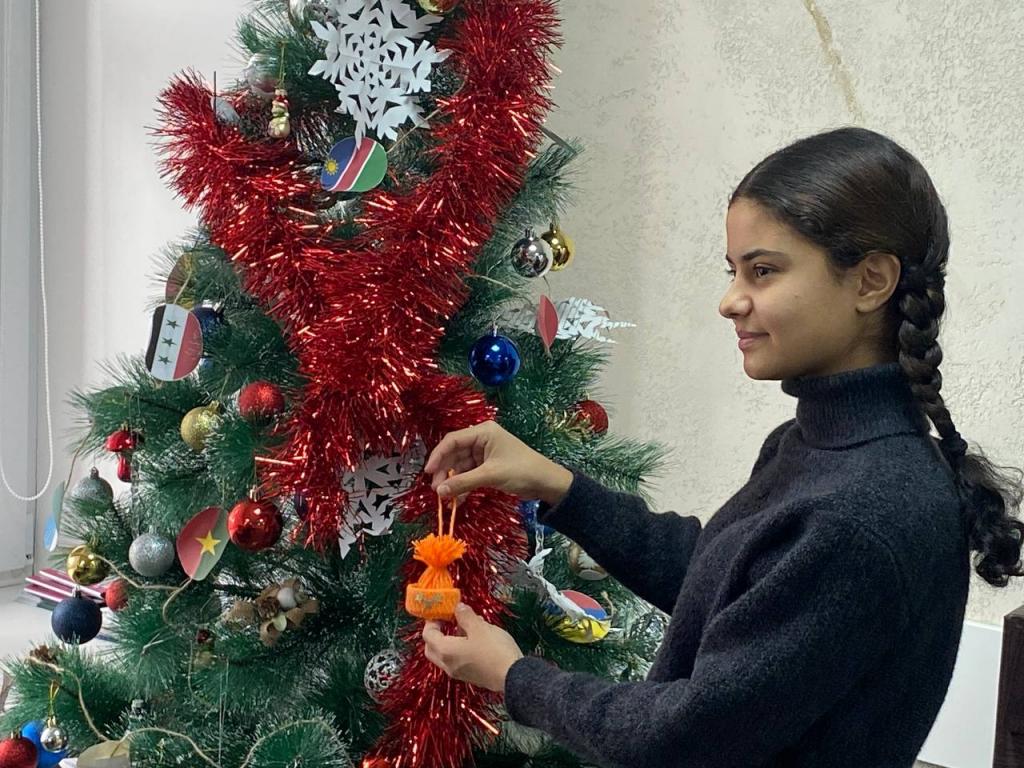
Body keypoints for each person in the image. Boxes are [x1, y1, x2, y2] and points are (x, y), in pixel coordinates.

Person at [420, 127, 1024, 767]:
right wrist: (559, 487)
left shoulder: (861, 512)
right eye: (733, 271)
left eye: (763, 271)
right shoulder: (812, 446)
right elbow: (731, 588)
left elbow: (684, 736)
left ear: (871, 281)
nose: (730, 301)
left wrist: (515, 677)